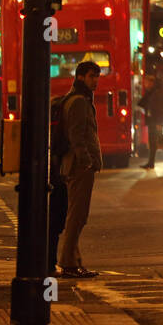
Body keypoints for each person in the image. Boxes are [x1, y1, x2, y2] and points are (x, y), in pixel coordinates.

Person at [57, 61, 103, 279]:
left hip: (78, 164)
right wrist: (87, 161)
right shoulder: (78, 102)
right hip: (78, 166)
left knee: (78, 215)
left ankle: (74, 261)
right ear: (81, 77)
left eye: (97, 76)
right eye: (92, 76)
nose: (96, 81)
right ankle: (68, 263)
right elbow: (77, 136)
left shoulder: (80, 99)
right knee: (77, 216)